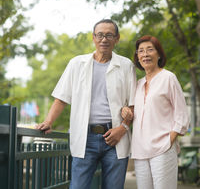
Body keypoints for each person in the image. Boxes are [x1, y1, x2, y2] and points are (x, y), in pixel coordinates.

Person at [36, 19, 137, 189]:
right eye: (100, 35)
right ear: (93, 38)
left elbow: (134, 103)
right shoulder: (77, 64)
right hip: (84, 138)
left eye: (109, 35)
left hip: (116, 138)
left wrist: (123, 129)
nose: (104, 39)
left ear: (117, 39)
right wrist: (49, 121)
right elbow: (61, 98)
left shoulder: (126, 65)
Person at [122, 35, 190, 189]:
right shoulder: (138, 85)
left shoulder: (168, 78)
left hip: (162, 149)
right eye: (141, 51)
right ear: (137, 57)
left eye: (150, 50)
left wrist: (169, 141)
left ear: (159, 54)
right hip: (139, 151)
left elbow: (182, 115)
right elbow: (134, 112)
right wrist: (125, 110)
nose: (145, 54)